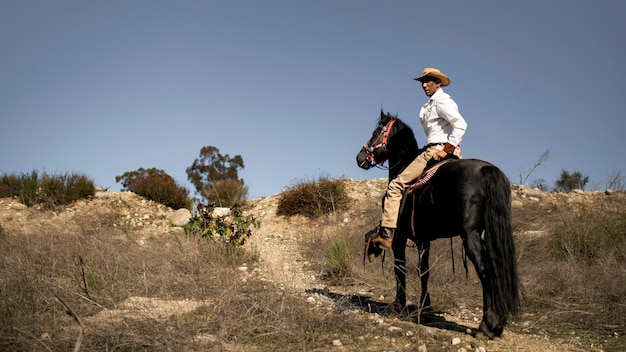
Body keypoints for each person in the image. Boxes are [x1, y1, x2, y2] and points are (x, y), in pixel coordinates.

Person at [370, 68, 467, 250]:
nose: (424, 85)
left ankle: (387, 234)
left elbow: (460, 125)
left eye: (428, 81)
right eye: (423, 82)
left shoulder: (441, 101)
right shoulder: (431, 104)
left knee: (396, 185)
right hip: (441, 149)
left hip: (437, 150)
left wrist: (446, 148)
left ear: (438, 83)